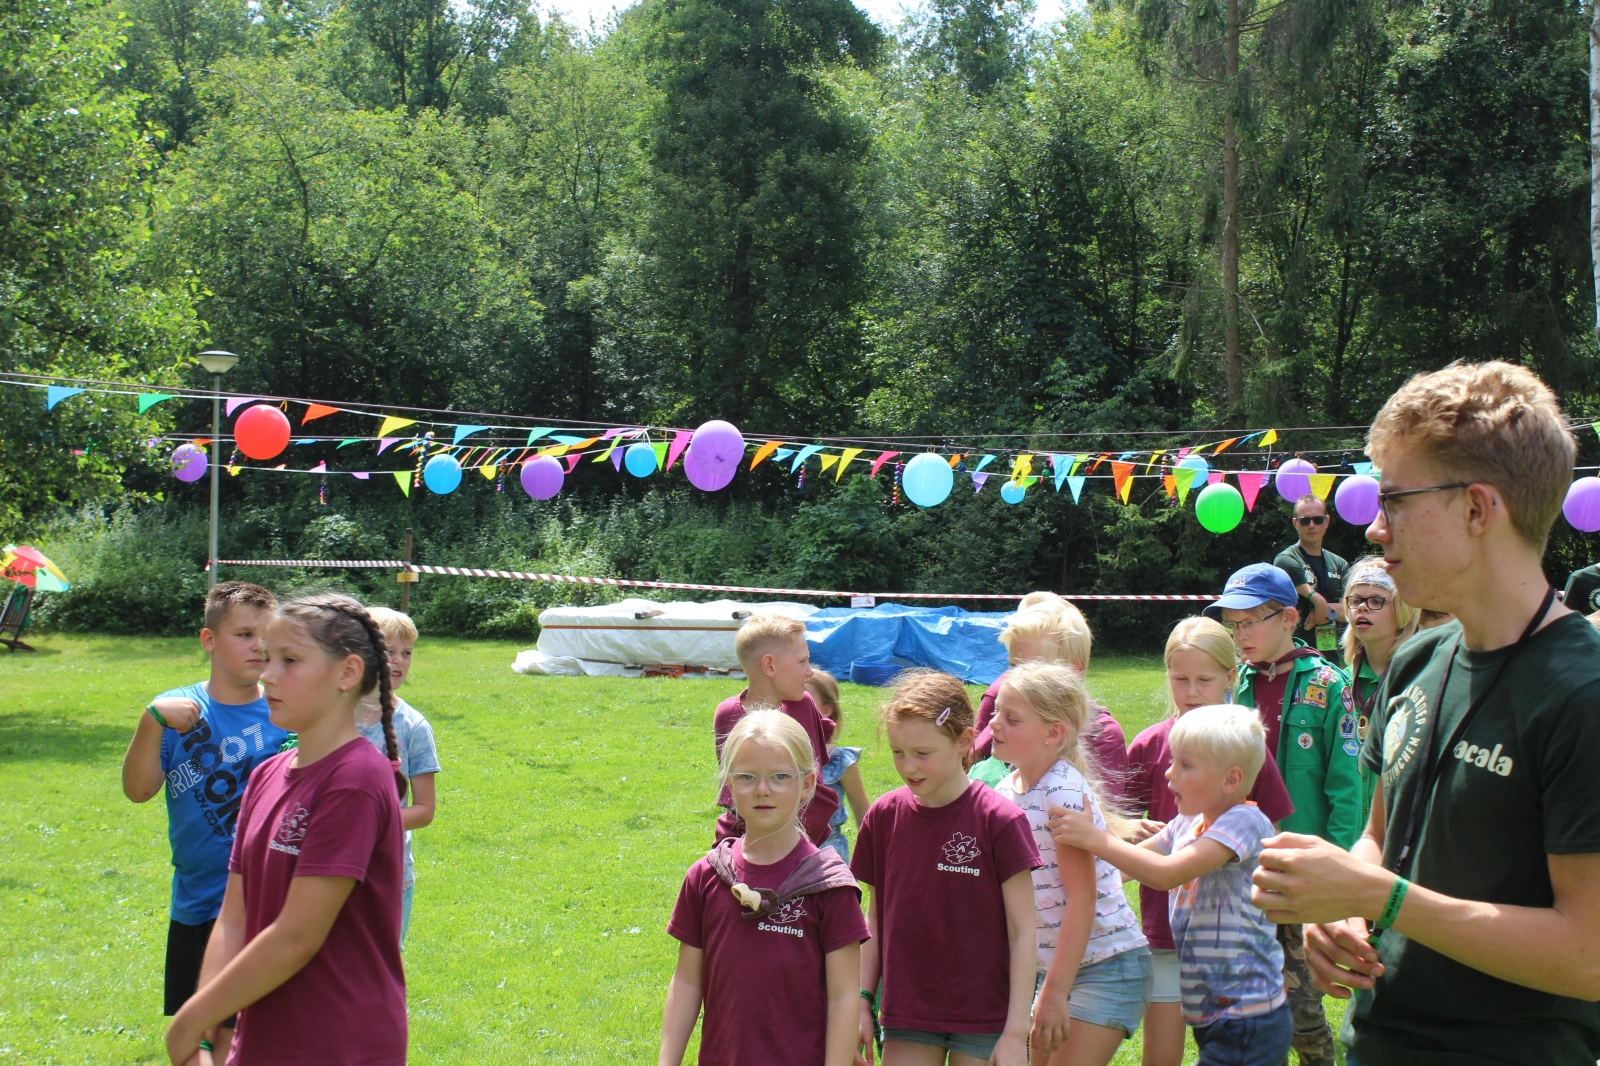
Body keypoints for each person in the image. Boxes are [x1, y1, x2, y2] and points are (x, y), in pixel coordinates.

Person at [1249, 361, 1600, 1066]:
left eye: (1395, 502)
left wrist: (1381, 896)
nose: (1375, 531)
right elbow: (1379, 836)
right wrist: (1345, 912)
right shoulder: (1416, 662)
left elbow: (1586, 953)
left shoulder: (1582, 693)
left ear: (1477, 508)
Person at [164, 593, 407, 1066]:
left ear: (348, 673)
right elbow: (234, 917)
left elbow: (297, 936)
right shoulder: (266, 774)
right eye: (268, 659)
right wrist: (210, 1036)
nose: (268, 674)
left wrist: (191, 1020)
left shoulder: (356, 780)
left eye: (290, 660)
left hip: (339, 1043)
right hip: (261, 1039)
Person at [1050, 704, 1292, 1066]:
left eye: (1186, 765)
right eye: (1173, 760)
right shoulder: (1187, 822)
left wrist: (1096, 839)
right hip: (1215, 1012)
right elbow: (1120, 871)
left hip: (1249, 1016)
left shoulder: (1244, 822)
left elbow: (1165, 873)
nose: (1169, 773)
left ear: (1231, 779)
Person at [121, 581, 288, 1066]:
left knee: (246, 1032)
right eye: (243, 633)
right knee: (197, 1029)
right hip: (196, 899)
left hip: (265, 899)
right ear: (208, 640)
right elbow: (138, 790)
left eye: (266, 635)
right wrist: (150, 722)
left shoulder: (285, 708)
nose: (259, 645)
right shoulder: (177, 710)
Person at [1123, 617, 1296, 1066]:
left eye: (1204, 679)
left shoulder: (1243, 745)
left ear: (1229, 677)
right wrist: (1123, 833)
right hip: (1165, 924)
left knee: (1229, 1037)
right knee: (1163, 1052)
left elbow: (1271, 831)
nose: (1192, 690)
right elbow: (1120, 824)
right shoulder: (1149, 745)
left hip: (1231, 937)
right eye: (1181, 679)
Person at [1205, 562, 1358, 1066]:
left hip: (1297, 868)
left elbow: (1347, 790)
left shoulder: (1330, 687)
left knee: (1300, 1007)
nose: (1241, 634)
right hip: (1233, 865)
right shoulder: (1231, 686)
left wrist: (1337, 872)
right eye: (1235, 623)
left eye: (1252, 621)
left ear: (1290, 617)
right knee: (1230, 1001)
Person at [851, 670, 1040, 1066]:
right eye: (898, 752)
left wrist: (1016, 1031)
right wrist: (862, 1000)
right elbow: (874, 917)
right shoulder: (883, 816)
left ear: (965, 742)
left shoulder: (999, 820)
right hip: (909, 1011)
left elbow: (1023, 931)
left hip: (987, 1016)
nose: (908, 766)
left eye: (923, 753)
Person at [661, 709, 868, 1066]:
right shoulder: (706, 877)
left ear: (807, 784)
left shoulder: (829, 887)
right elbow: (687, 983)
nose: (762, 790)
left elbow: (843, 998)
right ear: (729, 783)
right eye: (746, 777)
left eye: (780, 777)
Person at [990, 662, 1152, 1066]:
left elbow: (1082, 899)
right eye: (996, 712)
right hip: (1054, 967)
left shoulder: (1061, 792)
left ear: (1054, 733)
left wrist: (1054, 993)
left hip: (1106, 964)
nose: (994, 724)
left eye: (1011, 719)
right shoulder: (1004, 791)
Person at [970, 602, 1130, 797]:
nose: (1018, 678)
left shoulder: (1102, 736)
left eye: (1034, 667)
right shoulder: (1002, 713)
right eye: (1013, 666)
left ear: (1072, 673)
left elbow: (1101, 820)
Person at [714, 614, 840, 845]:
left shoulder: (803, 704)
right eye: (802, 662)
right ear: (769, 666)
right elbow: (735, 789)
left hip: (809, 838)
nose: (810, 671)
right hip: (752, 841)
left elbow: (815, 776)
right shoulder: (729, 714)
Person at [357, 607, 440, 947]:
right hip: (330, 866)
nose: (398, 661)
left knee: (377, 976)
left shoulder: (414, 727)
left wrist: (372, 823)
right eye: (388, 650)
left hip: (388, 875)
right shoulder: (329, 715)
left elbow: (424, 809)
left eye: (406, 653)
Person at [1338, 559, 1416, 826]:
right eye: (1356, 599)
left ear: (1402, 608)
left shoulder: (1419, 680)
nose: (1361, 607)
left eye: (1376, 601)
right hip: (1347, 833)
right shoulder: (1338, 682)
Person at [805, 670, 871, 862]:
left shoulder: (840, 760)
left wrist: (872, 856)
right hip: (786, 849)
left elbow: (861, 808)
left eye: (804, 697)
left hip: (828, 852)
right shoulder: (778, 755)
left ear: (826, 710)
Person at [1274, 493, 1350, 661]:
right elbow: (1324, 603)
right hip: (1295, 657)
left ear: (1327, 521)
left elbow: (1351, 610)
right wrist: (1323, 605)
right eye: (1305, 520)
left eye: (1318, 519)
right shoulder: (1286, 560)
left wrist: (1324, 611)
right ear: (1295, 523)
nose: (1312, 525)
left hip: (1333, 659)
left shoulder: (1339, 564)